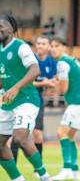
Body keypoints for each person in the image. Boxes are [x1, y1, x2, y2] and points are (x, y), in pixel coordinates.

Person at [0, 14, 52, 181]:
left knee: (20, 137)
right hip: (8, 102)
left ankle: (44, 175)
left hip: (27, 99)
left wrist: (15, 88)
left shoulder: (20, 46)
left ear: (13, 30)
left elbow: (35, 70)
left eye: (3, 25)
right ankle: (17, 178)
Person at [10, 35, 58, 177]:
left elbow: (53, 84)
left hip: (38, 101)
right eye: (38, 43)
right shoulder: (30, 60)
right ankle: (15, 168)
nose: (40, 46)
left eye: (43, 43)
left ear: (49, 46)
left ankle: (38, 169)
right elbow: (26, 81)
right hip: (23, 100)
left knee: (38, 136)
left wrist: (52, 85)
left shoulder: (52, 63)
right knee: (18, 135)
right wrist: (45, 83)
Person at [50, 37, 80, 181]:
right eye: (51, 46)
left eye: (56, 46)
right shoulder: (72, 59)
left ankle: (66, 169)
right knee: (69, 136)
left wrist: (55, 84)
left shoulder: (62, 63)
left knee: (61, 133)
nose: (53, 48)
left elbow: (64, 89)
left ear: (64, 47)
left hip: (78, 102)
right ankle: (75, 171)